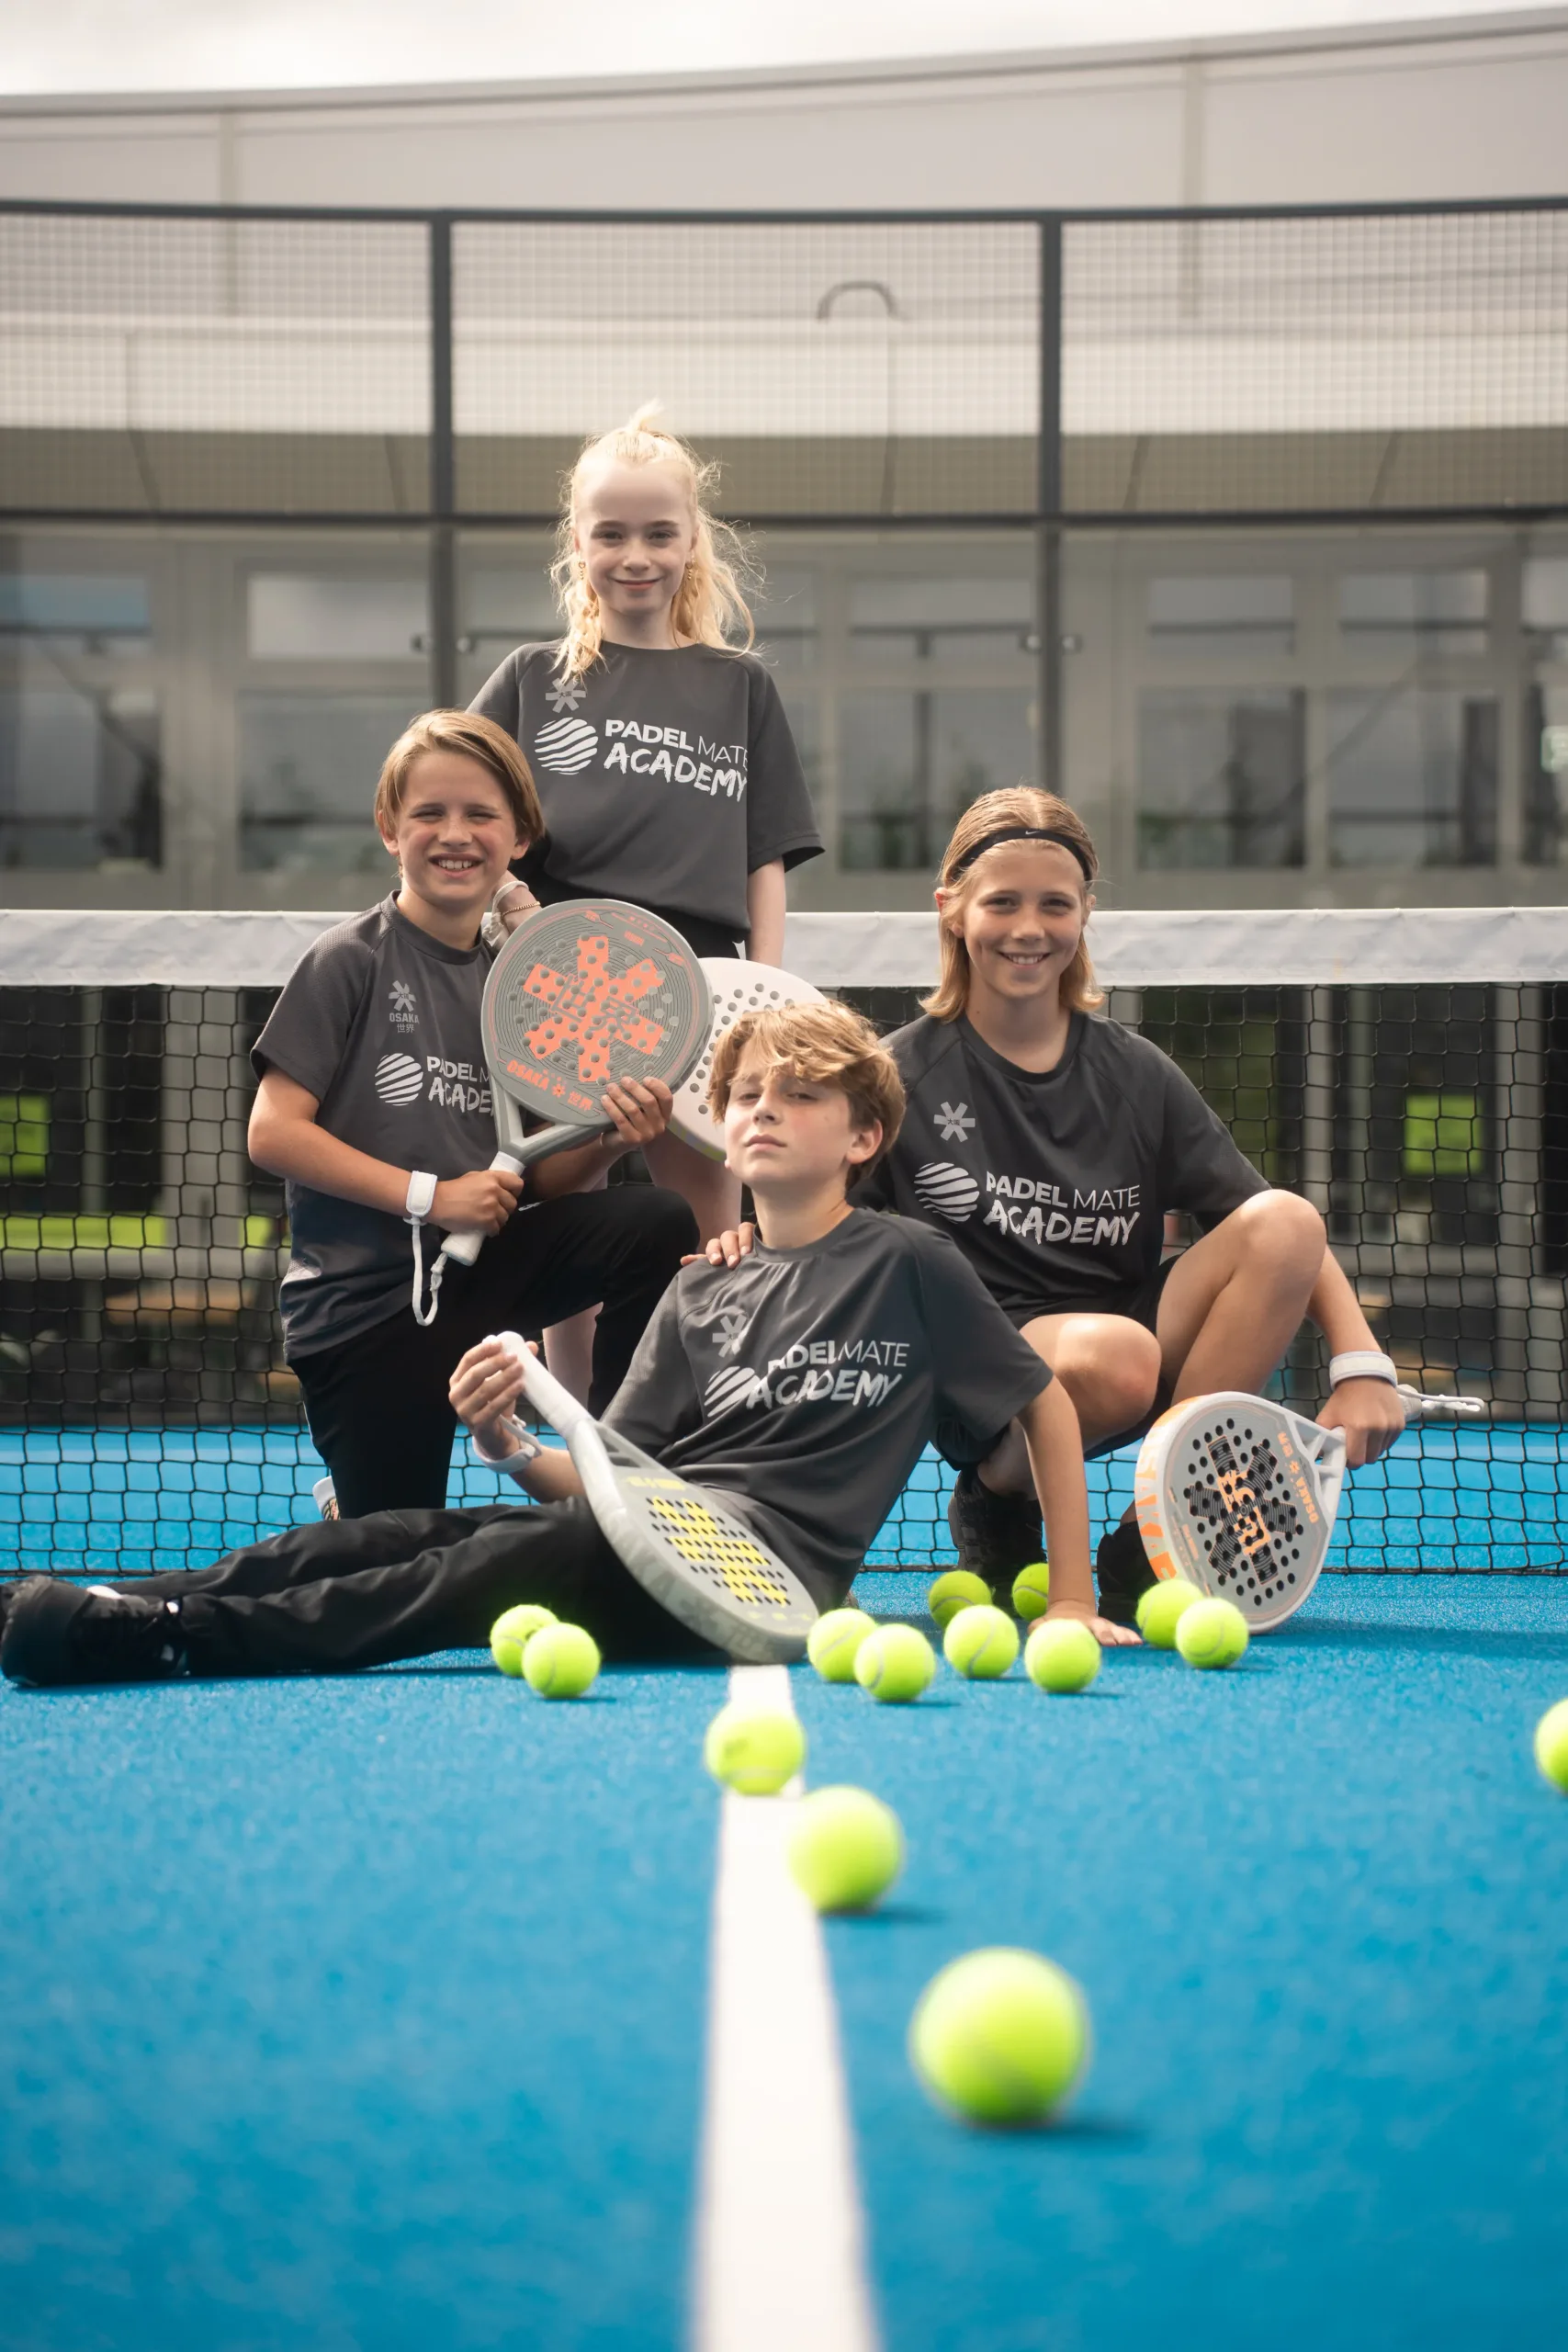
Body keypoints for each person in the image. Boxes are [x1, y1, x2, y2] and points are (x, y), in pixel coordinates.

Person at [0, 1001, 1135, 1688]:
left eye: (799, 1094)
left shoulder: (910, 1263)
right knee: (396, 1531)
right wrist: (501, 1440)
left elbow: (1041, 1404)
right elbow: (609, 1475)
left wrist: (1075, 1597)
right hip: (652, 1530)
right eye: (744, 1094)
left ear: (867, 1134)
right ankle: (101, 1596)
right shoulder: (702, 1292)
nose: (762, 1110)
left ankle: (174, 1641)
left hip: (757, 1585)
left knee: (471, 1574)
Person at [705, 786, 1409, 1624]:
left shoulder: (1135, 1072)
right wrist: (745, 1243)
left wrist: (1361, 1364)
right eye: (1001, 902)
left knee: (1285, 1221)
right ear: (952, 911)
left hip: (1127, 1335)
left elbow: (1278, 1230)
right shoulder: (896, 1076)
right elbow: (820, 1214)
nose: (1027, 928)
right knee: (1114, 1357)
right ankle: (998, 1495)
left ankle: (1153, 1535)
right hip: (976, 1368)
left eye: (1054, 904)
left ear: (1084, 915)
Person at [243, 707, 695, 1521]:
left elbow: (533, 1180)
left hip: (477, 1279)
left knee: (654, 1220)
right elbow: (272, 1133)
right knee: (397, 1550)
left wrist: (606, 1140)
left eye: (481, 814)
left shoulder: (523, 984)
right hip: (365, 1313)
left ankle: (629, 1465)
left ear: (519, 836)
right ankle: (355, 1508)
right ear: (390, 828)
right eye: (430, 813)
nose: (456, 834)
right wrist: (432, 1195)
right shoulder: (348, 958)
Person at [469, 407, 823, 1392]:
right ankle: (583, 1433)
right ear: (575, 543)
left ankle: (709, 1426)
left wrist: (767, 991)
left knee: (718, 1228)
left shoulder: (740, 687)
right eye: (610, 533)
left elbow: (766, 858)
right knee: (572, 1229)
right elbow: (469, 814)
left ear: (692, 540)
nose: (635, 555)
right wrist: (516, 911)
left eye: (659, 532)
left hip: (707, 992)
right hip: (570, 994)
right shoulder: (530, 680)